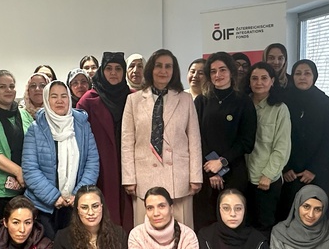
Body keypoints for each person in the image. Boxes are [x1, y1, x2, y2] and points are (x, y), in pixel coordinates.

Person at [121, 49, 202, 228]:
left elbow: (194, 140)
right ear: (150, 69)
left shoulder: (185, 99)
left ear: (174, 71)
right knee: (146, 232)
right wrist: (129, 178)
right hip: (144, 175)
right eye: (158, 66)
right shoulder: (133, 100)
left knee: (180, 231)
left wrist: (196, 176)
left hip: (178, 177)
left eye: (168, 66)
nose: (163, 71)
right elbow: (127, 142)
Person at [22, 81, 100, 239]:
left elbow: (92, 163)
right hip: (43, 206)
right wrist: (54, 197)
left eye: (64, 96)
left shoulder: (82, 126)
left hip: (74, 204)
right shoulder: (36, 128)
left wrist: (77, 195)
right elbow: (30, 169)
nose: (60, 100)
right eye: (54, 96)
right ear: (46, 100)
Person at [193, 51, 257, 230]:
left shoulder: (243, 102)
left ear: (231, 72)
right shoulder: (201, 101)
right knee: (205, 223)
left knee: (232, 222)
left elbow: (247, 141)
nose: (218, 75)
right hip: (205, 173)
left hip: (234, 173)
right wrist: (212, 169)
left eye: (222, 70)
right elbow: (194, 137)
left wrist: (221, 163)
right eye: (213, 71)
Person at [77, 51, 134, 232]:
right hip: (101, 165)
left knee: (129, 212)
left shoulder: (133, 97)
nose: (113, 73)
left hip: (129, 163)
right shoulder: (89, 99)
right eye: (109, 68)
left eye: (118, 68)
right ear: (102, 71)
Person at [278, 59, 329, 220]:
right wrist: (285, 167)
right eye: (298, 73)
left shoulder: (325, 103)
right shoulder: (283, 101)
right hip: (289, 172)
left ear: (314, 76)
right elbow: (277, 137)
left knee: (315, 218)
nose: (302, 77)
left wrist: (314, 169)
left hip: (317, 172)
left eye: (307, 73)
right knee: (287, 216)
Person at [0, 70, 34, 221]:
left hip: (27, 188)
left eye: (11, 86)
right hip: (1, 192)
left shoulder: (24, 114)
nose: (8, 90)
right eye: (2, 87)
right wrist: (19, 172)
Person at [246, 62, 291, 234]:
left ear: (272, 81)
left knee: (264, 225)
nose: (259, 82)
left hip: (265, 180)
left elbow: (282, 147)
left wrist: (268, 175)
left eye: (264, 78)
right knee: (245, 224)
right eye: (254, 78)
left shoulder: (280, 109)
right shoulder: (243, 104)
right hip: (244, 177)